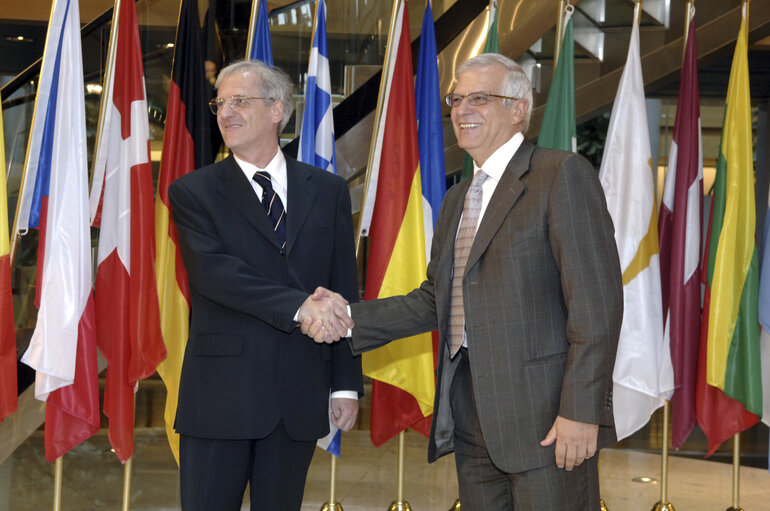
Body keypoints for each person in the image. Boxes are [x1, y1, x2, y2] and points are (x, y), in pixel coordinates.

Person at [304, 53, 623, 510]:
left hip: (547, 419)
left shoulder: (560, 175)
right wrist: (347, 316)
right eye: (456, 99)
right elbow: (437, 298)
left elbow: (596, 308)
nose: (461, 109)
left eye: (479, 98)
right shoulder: (457, 198)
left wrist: (580, 411)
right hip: (470, 415)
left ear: (518, 109)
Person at [168, 59, 362, 511]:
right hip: (220, 398)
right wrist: (300, 307)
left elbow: (341, 286)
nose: (226, 113)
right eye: (220, 103)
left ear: (278, 110)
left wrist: (344, 385)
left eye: (240, 101)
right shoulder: (192, 191)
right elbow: (215, 274)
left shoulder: (328, 189)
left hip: (297, 397)